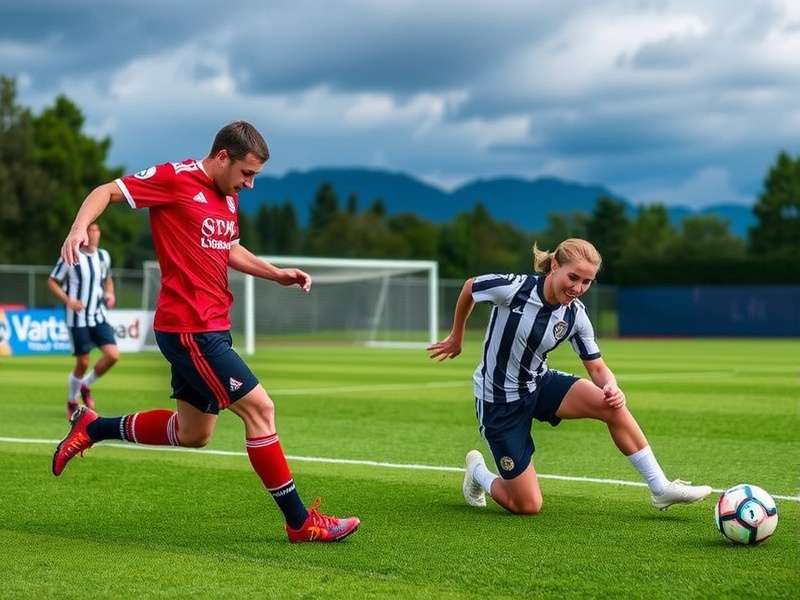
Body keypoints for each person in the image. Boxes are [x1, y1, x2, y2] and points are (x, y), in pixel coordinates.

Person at [52, 121, 360, 543]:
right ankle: (300, 522)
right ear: (222, 157)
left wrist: (275, 274)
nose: (250, 184)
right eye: (246, 173)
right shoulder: (174, 179)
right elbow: (106, 191)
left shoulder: (229, 196)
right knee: (261, 410)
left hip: (212, 327)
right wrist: (77, 229)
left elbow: (229, 248)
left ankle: (93, 426)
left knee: (193, 433)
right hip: (190, 330)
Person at [428, 238, 712, 515]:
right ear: (554, 266)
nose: (578, 288)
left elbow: (597, 367)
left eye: (587, 282)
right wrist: (456, 336)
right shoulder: (515, 288)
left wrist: (612, 386)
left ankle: (660, 488)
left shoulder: (575, 315)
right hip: (499, 401)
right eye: (573, 277)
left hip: (539, 383)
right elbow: (471, 286)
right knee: (527, 505)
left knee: (612, 404)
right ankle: (478, 472)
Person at [48, 222, 119, 419]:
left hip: (98, 315)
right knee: (83, 362)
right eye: (90, 230)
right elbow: (52, 281)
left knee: (113, 355)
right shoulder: (71, 255)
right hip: (78, 318)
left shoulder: (104, 256)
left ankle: (85, 385)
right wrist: (68, 300)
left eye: (96, 230)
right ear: (84, 233)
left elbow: (108, 279)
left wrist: (110, 294)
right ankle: (72, 401)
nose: (94, 234)